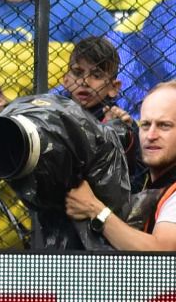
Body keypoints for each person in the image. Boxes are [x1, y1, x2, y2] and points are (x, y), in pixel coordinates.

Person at [65, 82, 176, 250]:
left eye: (164, 125)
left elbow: (162, 252)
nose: (151, 135)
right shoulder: (155, 183)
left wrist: (95, 210)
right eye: (145, 125)